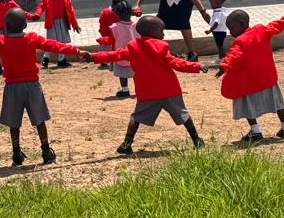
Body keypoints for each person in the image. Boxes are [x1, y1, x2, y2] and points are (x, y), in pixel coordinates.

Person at [0, 8, 81, 166]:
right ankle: (46, 150)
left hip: (12, 87)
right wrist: (77, 51)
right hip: (33, 86)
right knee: (40, 120)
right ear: (25, 25)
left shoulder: (1, 41)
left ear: (6, 26)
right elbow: (54, 46)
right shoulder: (32, 39)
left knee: (14, 122)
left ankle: (16, 153)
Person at [85, 15, 204, 154]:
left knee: (137, 118)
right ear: (152, 32)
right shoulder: (162, 47)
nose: (163, 34)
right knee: (183, 115)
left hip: (147, 91)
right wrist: (195, 66)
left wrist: (94, 57)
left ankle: (127, 144)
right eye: (161, 31)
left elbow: (115, 55)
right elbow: (176, 63)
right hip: (169, 90)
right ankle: (196, 140)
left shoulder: (133, 47)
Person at [216, 9, 284, 143]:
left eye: (232, 28)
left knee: (248, 106)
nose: (230, 32)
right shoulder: (261, 30)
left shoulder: (240, 41)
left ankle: (256, 131)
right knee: (277, 104)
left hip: (249, 81)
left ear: (241, 24)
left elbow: (233, 56)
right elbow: (278, 24)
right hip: (267, 77)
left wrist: (223, 67)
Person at [30, 0, 82, 69]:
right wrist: (37, 14)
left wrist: (75, 24)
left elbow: (71, 11)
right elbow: (41, 6)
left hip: (63, 22)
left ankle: (61, 60)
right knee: (51, 42)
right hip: (52, 23)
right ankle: (45, 58)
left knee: (62, 43)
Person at [97, 0, 139, 98]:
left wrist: (101, 40)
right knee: (136, 73)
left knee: (122, 73)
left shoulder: (113, 27)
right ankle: (139, 89)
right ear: (131, 12)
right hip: (134, 54)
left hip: (120, 54)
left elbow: (110, 40)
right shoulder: (137, 25)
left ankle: (125, 90)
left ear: (116, 13)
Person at [97, 0, 127, 70]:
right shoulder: (122, 13)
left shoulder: (105, 12)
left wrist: (104, 34)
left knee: (105, 49)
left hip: (108, 36)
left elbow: (102, 25)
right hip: (117, 36)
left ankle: (103, 61)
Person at [204, 0, 229, 64]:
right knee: (220, 46)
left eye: (211, 3)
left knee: (220, 46)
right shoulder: (220, 11)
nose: (210, 5)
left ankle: (224, 59)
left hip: (219, 32)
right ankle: (222, 58)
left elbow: (216, 23)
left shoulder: (218, 13)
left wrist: (210, 30)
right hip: (220, 32)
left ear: (217, 3)